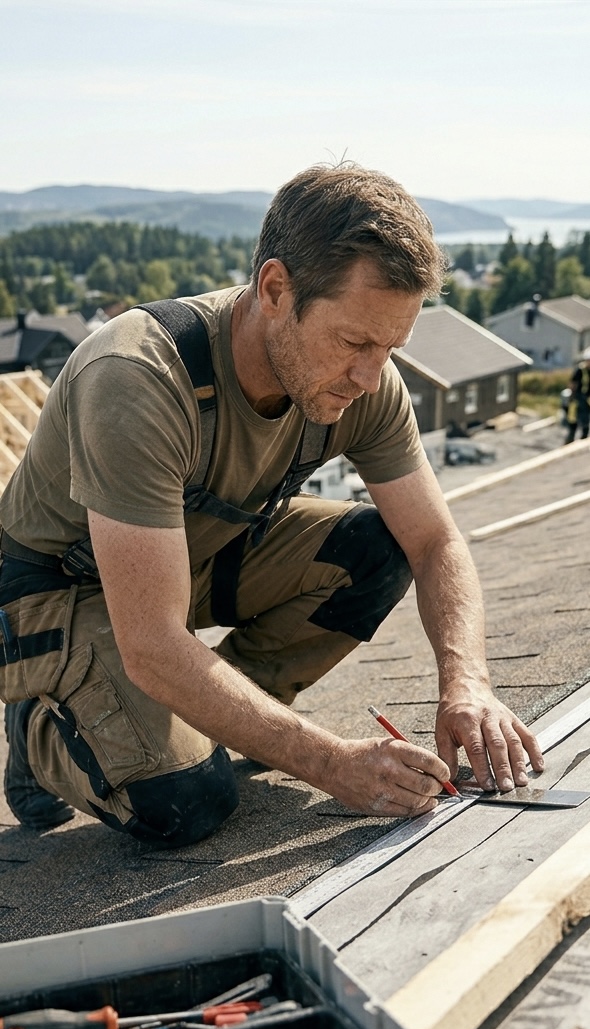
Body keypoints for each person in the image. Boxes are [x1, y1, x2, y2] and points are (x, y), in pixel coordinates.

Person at [0, 163, 544, 846]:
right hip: (50, 598)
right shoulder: (137, 378)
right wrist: (328, 763)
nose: (370, 375)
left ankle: (201, 724)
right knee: (186, 800)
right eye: (353, 342)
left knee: (376, 549)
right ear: (276, 290)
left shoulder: (364, 380)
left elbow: (434, 542)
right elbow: (153, 642)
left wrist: (468, 684)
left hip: (180, 560)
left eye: (390, 347)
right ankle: (43, 731)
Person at [564, 347, 590, 444]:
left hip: (587, 399)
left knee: (585, 419)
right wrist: (571, 397)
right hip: (578, 397)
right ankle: (570, 439)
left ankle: (584, 438)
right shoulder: (580, 370)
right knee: (573, 418)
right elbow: (573, 383)